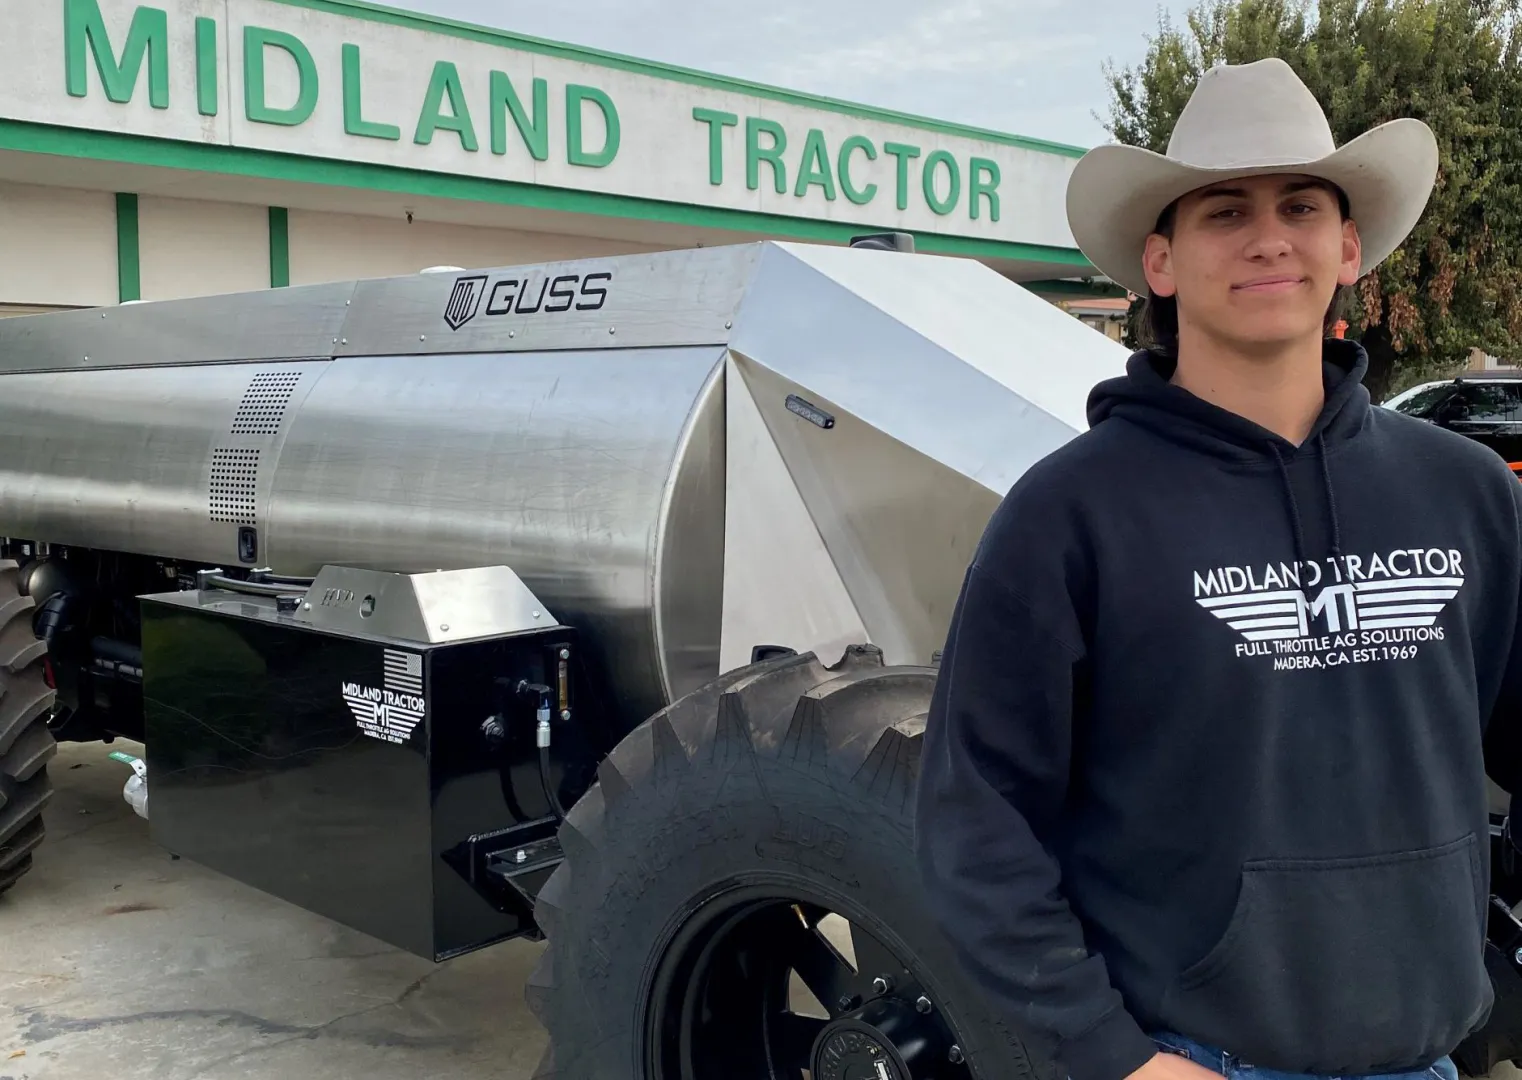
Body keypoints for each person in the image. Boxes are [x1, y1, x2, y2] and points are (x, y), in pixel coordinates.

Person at [914, 56, 1522, 1080]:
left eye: (1297, 204)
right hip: (1195, 1060)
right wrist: (1112, 1054)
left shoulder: (1466, 495)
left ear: (1347, 245)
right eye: (1224, 211)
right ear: (1160, 262)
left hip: (1427, 1056)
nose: (1268, 237)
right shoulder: (1069, 515)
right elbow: (978, 823)